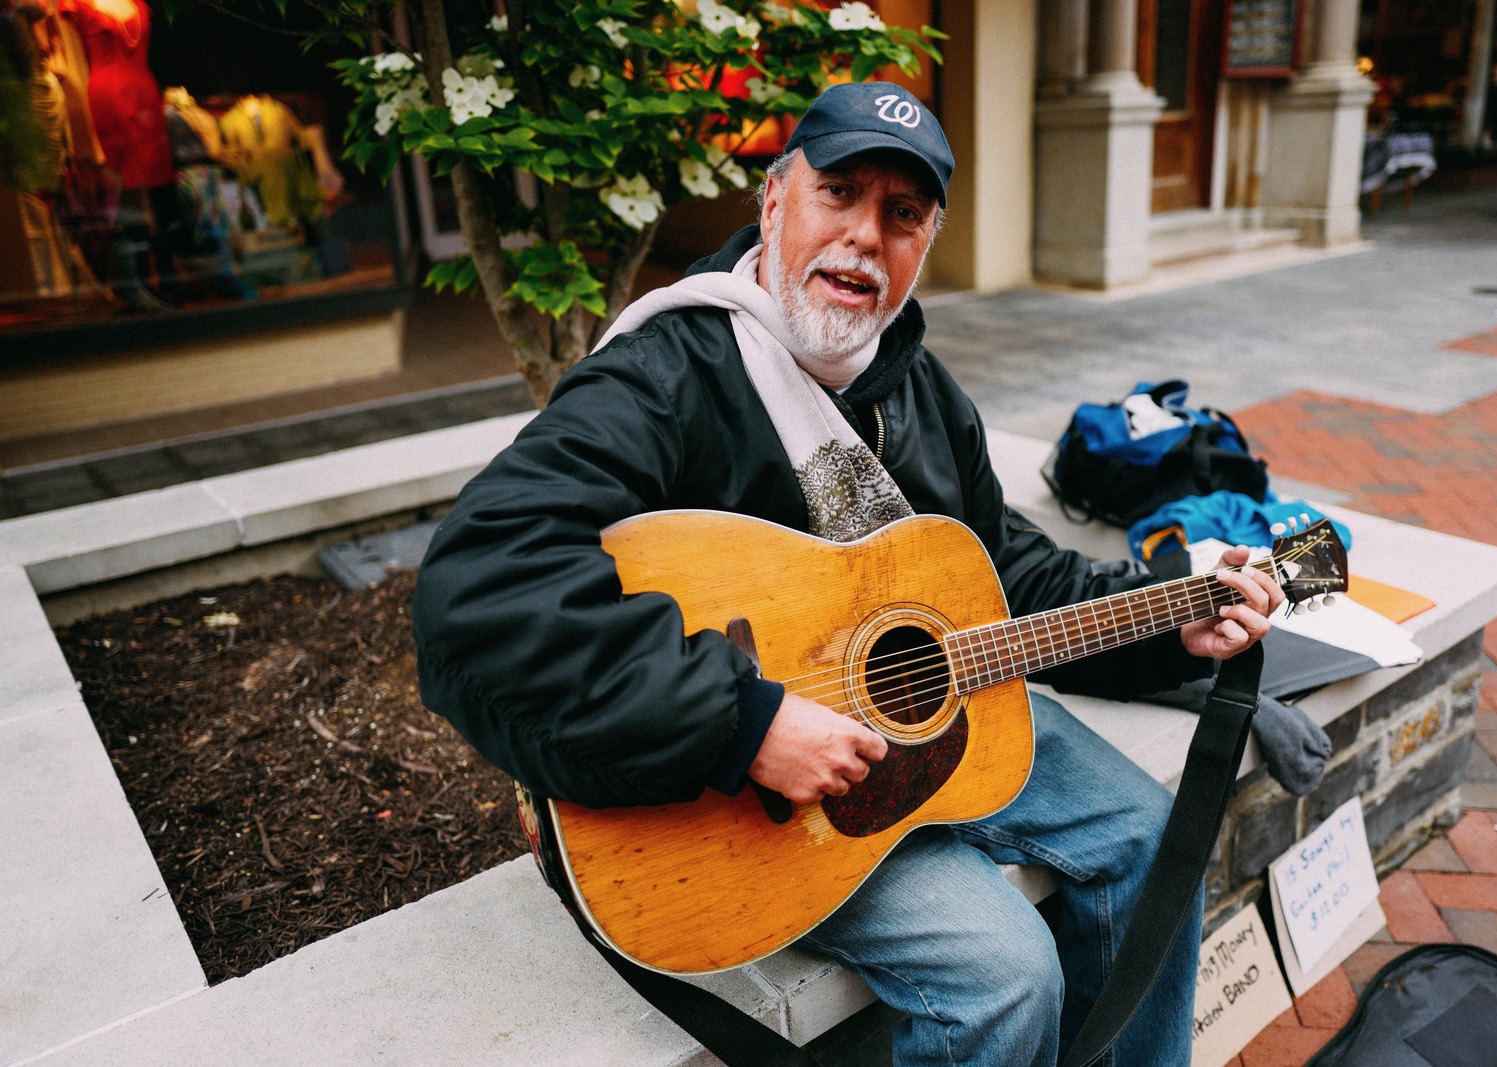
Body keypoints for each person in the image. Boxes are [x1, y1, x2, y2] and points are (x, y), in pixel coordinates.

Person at [412, 81, 1284, 1067]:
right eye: (839, 193)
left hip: (930, 733)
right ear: (773, 201)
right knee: (1006, 974)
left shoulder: (912, 382)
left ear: (925, 242)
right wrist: (745, 722)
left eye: (902, 213)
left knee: (1152, 837)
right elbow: (478, 589)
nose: (867, 235)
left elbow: (1006, 573)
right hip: (743, 798)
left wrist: (1168, 624)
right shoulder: (664, 378)